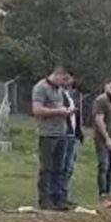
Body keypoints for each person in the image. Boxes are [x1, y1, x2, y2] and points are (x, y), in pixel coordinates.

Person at [31, 65, 73, 211]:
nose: (64, 83)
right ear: (57, 75)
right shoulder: (41, 88)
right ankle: (45, 199)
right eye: (64, 79)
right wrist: (58, 111)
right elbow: (37, 110)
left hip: (62, 133)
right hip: (48, 134)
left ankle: (58, 198)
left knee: (59, 168)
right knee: (47, 168)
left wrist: (67, 112)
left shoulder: (60, 90)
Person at [92, 79, 111, 205]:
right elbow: (99, 120)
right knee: (103, 165)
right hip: (103, 139)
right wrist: (107, 138)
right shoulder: (101, 100)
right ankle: (102, 194)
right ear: (106, 87)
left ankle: (108, 194)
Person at [61, 73, 82, 206]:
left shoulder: (70, 96)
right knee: (63, 166)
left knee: (70, 167)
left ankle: (65, 194)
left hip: (73, 135)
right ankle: (60, 196)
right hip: (64, 134)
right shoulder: (59, 95)